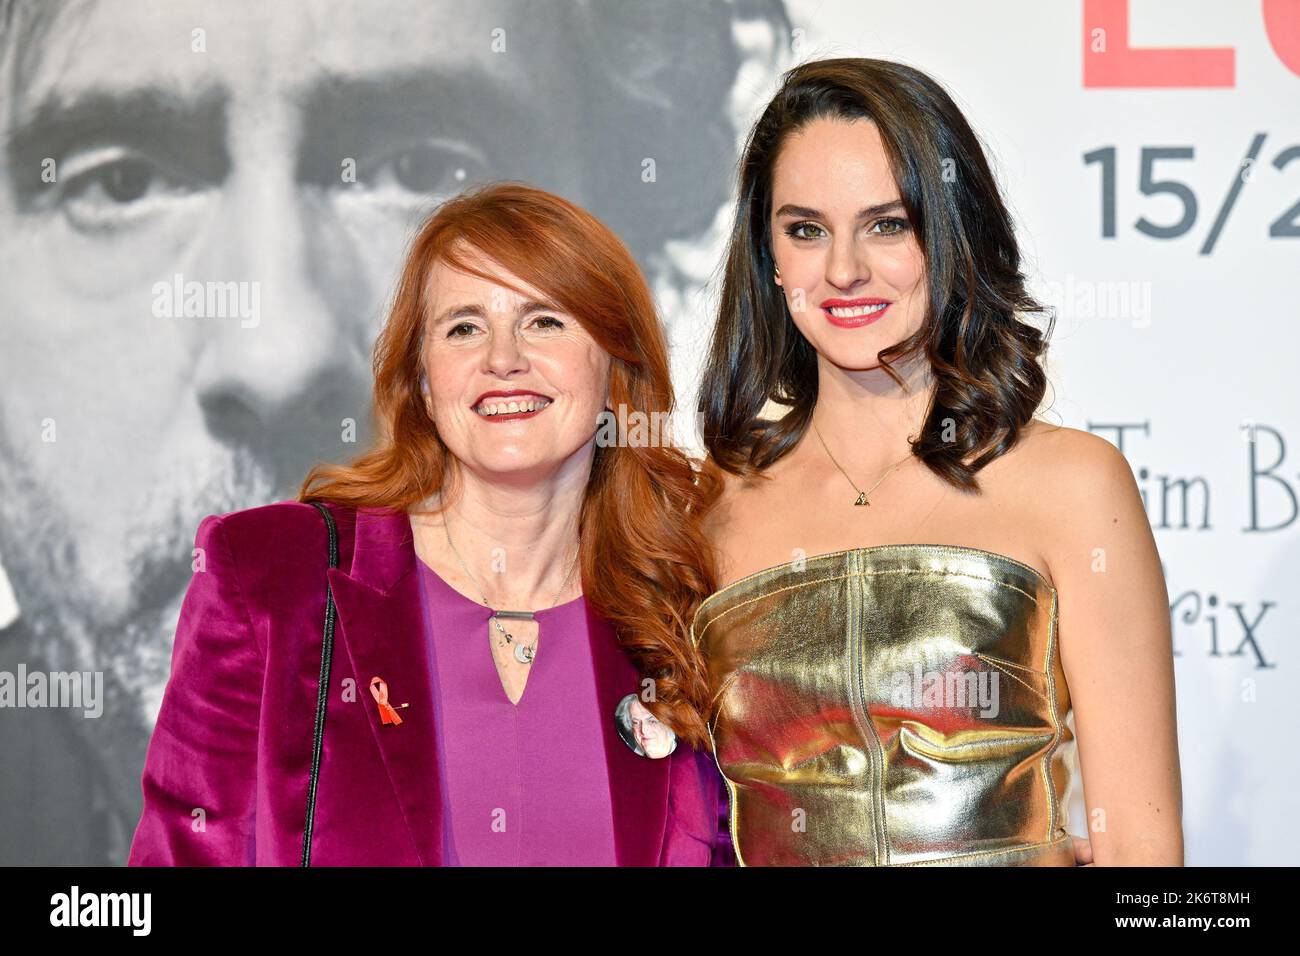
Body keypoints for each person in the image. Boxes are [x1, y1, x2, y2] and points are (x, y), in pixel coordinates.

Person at [127, 182, 726, 866]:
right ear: (423, 378)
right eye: (463, 327)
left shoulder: (683, 620)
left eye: (545, 320)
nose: (503, 359)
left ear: (617, 368)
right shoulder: (269, 577)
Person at [693, 57, 1182, 866]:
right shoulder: (709, 510)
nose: (844, 269)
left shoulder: (1070, 487)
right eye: (805, 229)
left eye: (888, 224)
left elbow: (1145, 855)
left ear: (949, 232)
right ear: (769, 255)